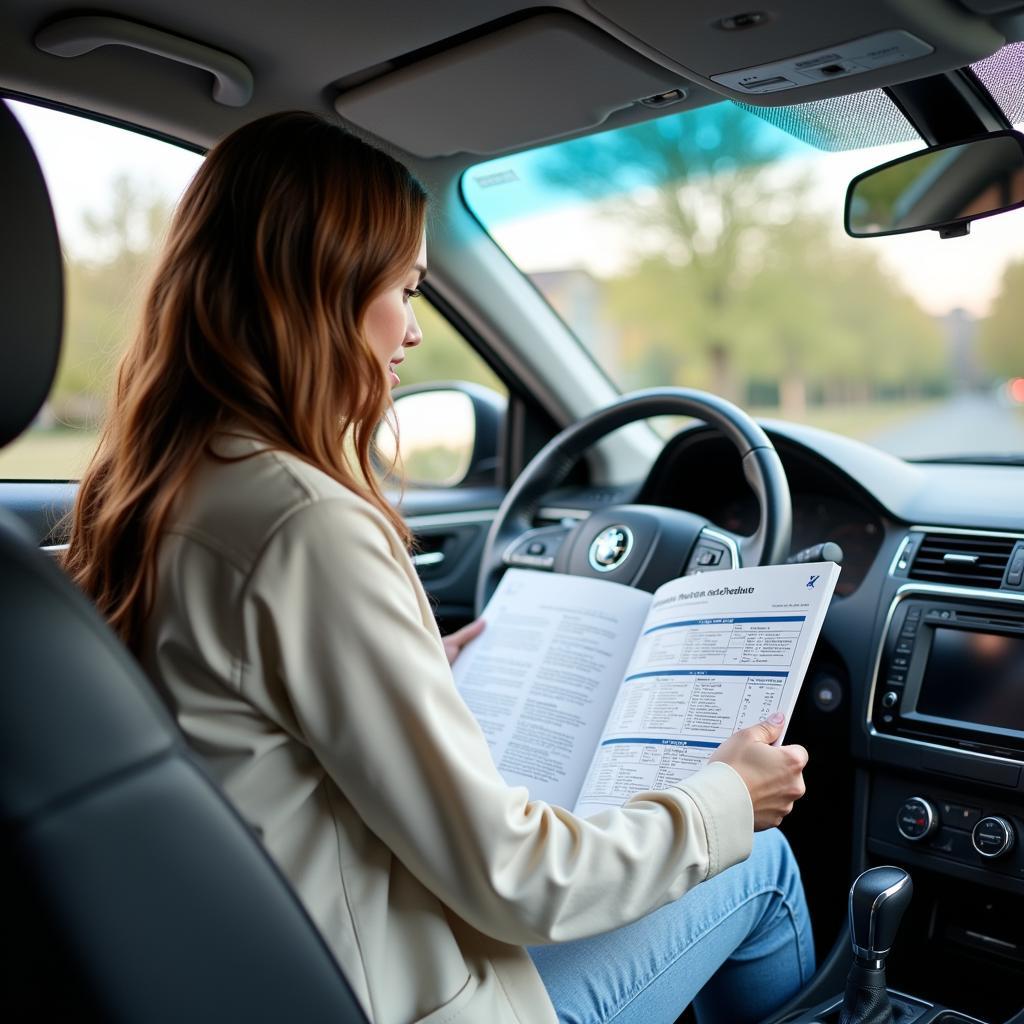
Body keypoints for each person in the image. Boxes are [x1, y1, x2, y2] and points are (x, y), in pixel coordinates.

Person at [64, 111, 813, 1024]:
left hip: (258, 965)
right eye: (407, 290)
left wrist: (418, 672)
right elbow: (515, 880)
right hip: (405, 997)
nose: (411, 331)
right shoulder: (305, 525)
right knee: (760, 862)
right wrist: (725, 799)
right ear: (319, 291)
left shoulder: (149, 490)